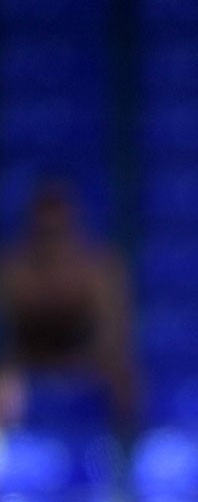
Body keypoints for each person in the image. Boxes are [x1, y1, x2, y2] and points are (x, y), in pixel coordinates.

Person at [0, 179, 140, 431]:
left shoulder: (98, 271)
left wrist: (85, 365)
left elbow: (112, 338)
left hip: (87, 361)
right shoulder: (13, 274)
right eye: (44, 232)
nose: (51, 243)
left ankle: (121, 455)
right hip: (28, 363)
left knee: (126, 378)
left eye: (57, 231)